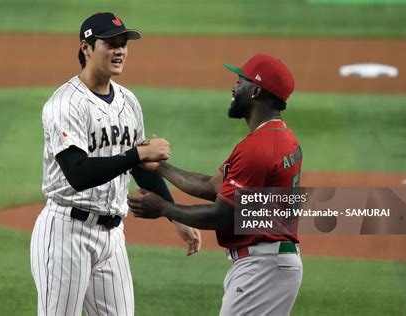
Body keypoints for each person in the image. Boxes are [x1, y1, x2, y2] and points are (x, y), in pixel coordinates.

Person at [30, 12, 201, 316]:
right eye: (110, 43)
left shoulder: (129, 102)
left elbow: (138, 169)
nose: (120, 50)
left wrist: (175, 217)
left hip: (112, 237)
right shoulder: (65, 104)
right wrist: (137, 154)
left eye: (123, 44)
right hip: (65, 232)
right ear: (86, 48)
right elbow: (78, 173)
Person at [128, 53, 303, 316]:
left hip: (263, 266)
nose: (234, 87)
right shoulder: (280, 137)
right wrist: (160, 167)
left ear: (256, 92)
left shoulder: (258, 149)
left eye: (240, 81)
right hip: (271, 263)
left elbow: (222, 215)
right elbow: (213, 186)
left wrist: (164, 208)